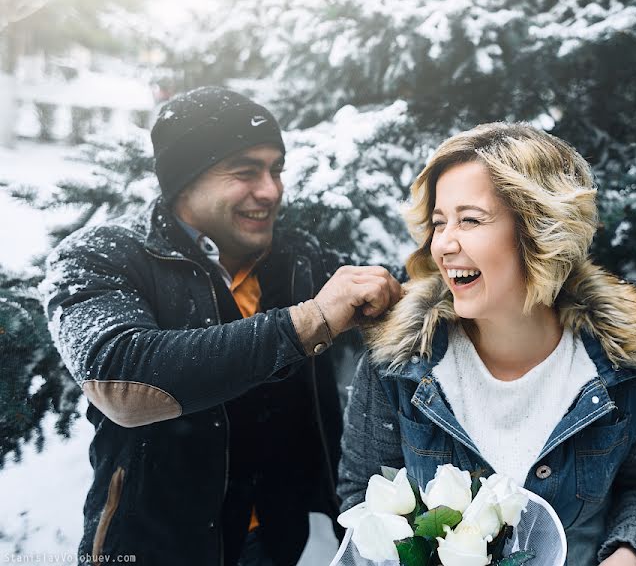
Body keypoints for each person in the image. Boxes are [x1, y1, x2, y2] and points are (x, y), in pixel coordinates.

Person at [41, 87, 402, 566]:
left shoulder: (298, 258)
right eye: (245, 171)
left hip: (277, 538)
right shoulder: (99, 256)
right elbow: (122, 378)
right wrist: (309, 320)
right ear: (184, 182)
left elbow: (397, 297)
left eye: (276, 169)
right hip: (158, 547)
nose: (270, 190)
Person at [337, 123, 636, 566]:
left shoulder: (628, 366)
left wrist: (627, 553)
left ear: (539, 230)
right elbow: (362, 492)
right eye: (439, 222)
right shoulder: (399, 362)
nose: (443, 243)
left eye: (470, 219)